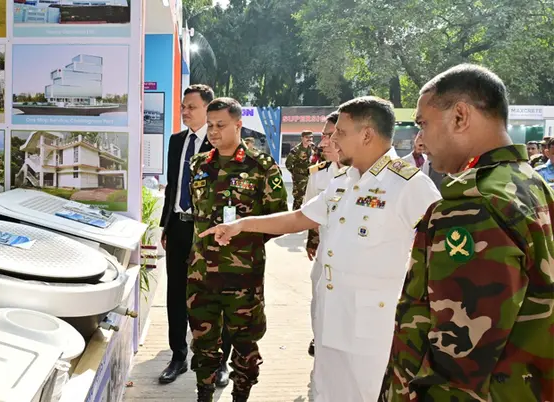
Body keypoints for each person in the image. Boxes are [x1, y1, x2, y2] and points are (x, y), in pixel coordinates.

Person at [200, 96, 441, 402]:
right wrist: (243, 225)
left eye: (339, 132)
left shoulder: (410, 185)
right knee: (326, 391)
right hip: (330, 316)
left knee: (365, 394)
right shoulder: (343, 181)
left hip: (372, 329)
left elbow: (438, 256)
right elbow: (300, 217)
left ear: (366, 134)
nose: (332, 139)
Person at [380, 64, 554, 401]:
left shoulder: (473, 205)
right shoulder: (532, 185)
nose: (420, 140)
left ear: (460, 117)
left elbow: (459, 367)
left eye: (423, 124)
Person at [187, 97, 287, 402]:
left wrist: (243, 239)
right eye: (210, 125)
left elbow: (278, 219)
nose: (213, 132)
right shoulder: (199, 165)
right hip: (201, 275)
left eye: (221, 125)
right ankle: (203, 394)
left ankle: (240, 396)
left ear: (238, 124)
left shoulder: (261, 167)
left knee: (245, 346)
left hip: (242, 279)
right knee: (203, 344)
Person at [158, 84, 233, 386]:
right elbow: (172, 187)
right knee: (176, 294)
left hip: (209, 233)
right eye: (182, 106)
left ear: (207, 108)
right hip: (178, 227)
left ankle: (220, 362)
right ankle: (178, 357)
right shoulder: (176, 141)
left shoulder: (221, 144)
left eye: (191, 106)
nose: (185, 111)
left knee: (215, 296)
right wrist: (166, 225)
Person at [302, 111, 342, 357]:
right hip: (324, 255)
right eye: (322, 135)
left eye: (329, 135)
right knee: (319, 303)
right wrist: (312, 241)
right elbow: (307, 215)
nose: (322, 142)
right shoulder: (320, 173)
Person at [284, 130, 313, 209]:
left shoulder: (312, 147)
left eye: (311, 137)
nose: (309, 139)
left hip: (310, 177)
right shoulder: (296, 150)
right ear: (302, 138)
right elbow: (288, 164)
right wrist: (295, 174)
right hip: (299, 179)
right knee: (298, 199)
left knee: (308, 198)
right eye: (307, 137)